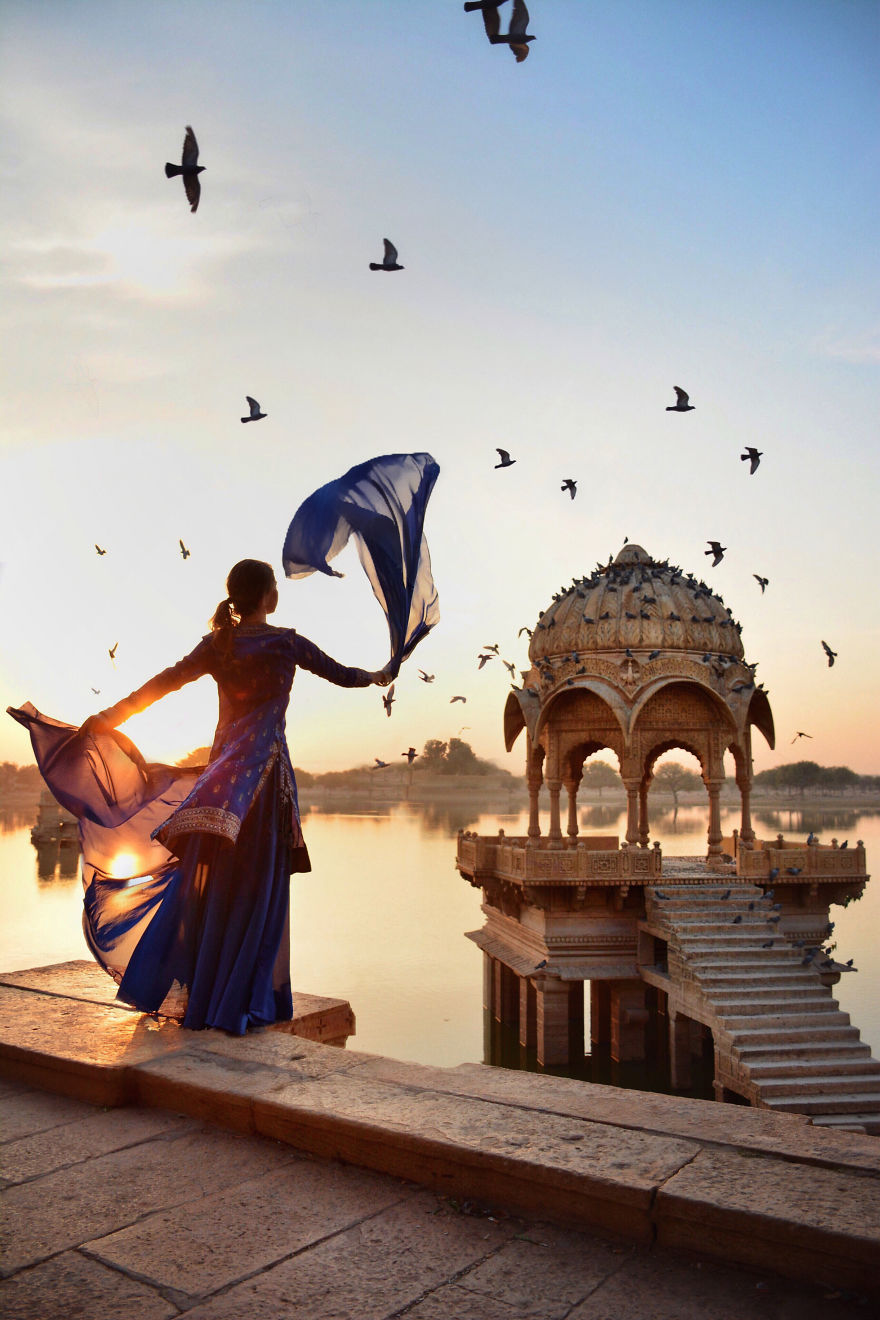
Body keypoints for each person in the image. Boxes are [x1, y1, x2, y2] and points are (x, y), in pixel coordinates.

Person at [51, 558, 390, 1034]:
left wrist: (107, 718)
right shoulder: (284, 642)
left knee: (215, 889)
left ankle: (211, 994)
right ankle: (241, 998)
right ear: (268, 597)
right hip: (266, 785)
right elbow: (342, 674)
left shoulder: (219, 645)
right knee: (258, 891)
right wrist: (379, 675)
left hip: (222, 789)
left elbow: (161, 685)